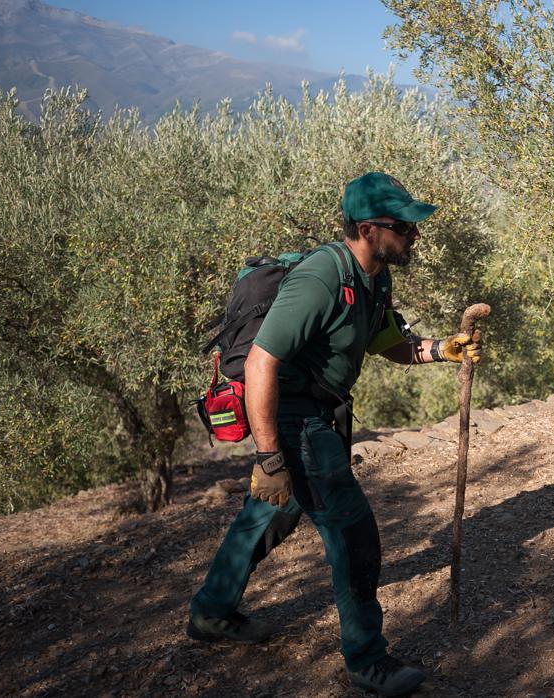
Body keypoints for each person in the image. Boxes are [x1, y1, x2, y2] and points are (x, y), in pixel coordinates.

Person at [187, 172, 482, 697]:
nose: (415, 234)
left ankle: (212, 611)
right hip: (296, 419)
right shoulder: (322, 278)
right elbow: (260, 364)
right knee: (353, 533)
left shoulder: (376, 277)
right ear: (368, 229)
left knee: (271, 511)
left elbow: (388, 343)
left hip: (321, 415)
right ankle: (367, 662)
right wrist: (270, 457)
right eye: (404, 225)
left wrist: (445, 349)